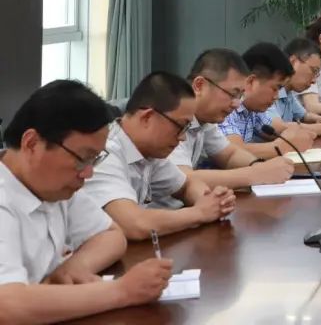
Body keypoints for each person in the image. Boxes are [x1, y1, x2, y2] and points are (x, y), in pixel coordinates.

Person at [0, 80, 173, 324]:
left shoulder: (53, 186)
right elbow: (7, 305)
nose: (88, 173)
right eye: (82, 158)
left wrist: (73, 268)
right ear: (32, 144)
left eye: (94, 159)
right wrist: (123, 291)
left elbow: (111, 235)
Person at [83, 72, 237, 241]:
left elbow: (187, 185)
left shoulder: (149, 152)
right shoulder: (102, 153)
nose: (183, 137)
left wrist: (210, 200)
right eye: (180, 126)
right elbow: (135, 225)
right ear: (147, 117)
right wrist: (200, 212)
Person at [164, 48, 295, 197]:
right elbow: (184, 179)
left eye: (240, 95)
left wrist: (259, 166)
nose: (236, 104)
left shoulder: (205, 120)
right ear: (199, 85)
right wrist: (256, 174)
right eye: (232, 94)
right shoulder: (171, 115)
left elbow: (229, 154)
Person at [220, 43, 321, 159]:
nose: (276, 97)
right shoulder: (227, 106)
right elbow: (234, 151)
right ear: (251, 82)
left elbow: (277, 130)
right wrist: (282, 146)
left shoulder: (253, 109)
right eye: (275, 88)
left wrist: (295, 134)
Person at [268, 38, 321, 136]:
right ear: (293, 62)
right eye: (314, 71)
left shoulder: (288, 92)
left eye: (317, 75)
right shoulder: (269, 88)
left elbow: (303, 116)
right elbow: (277, 128)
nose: (314, 81)